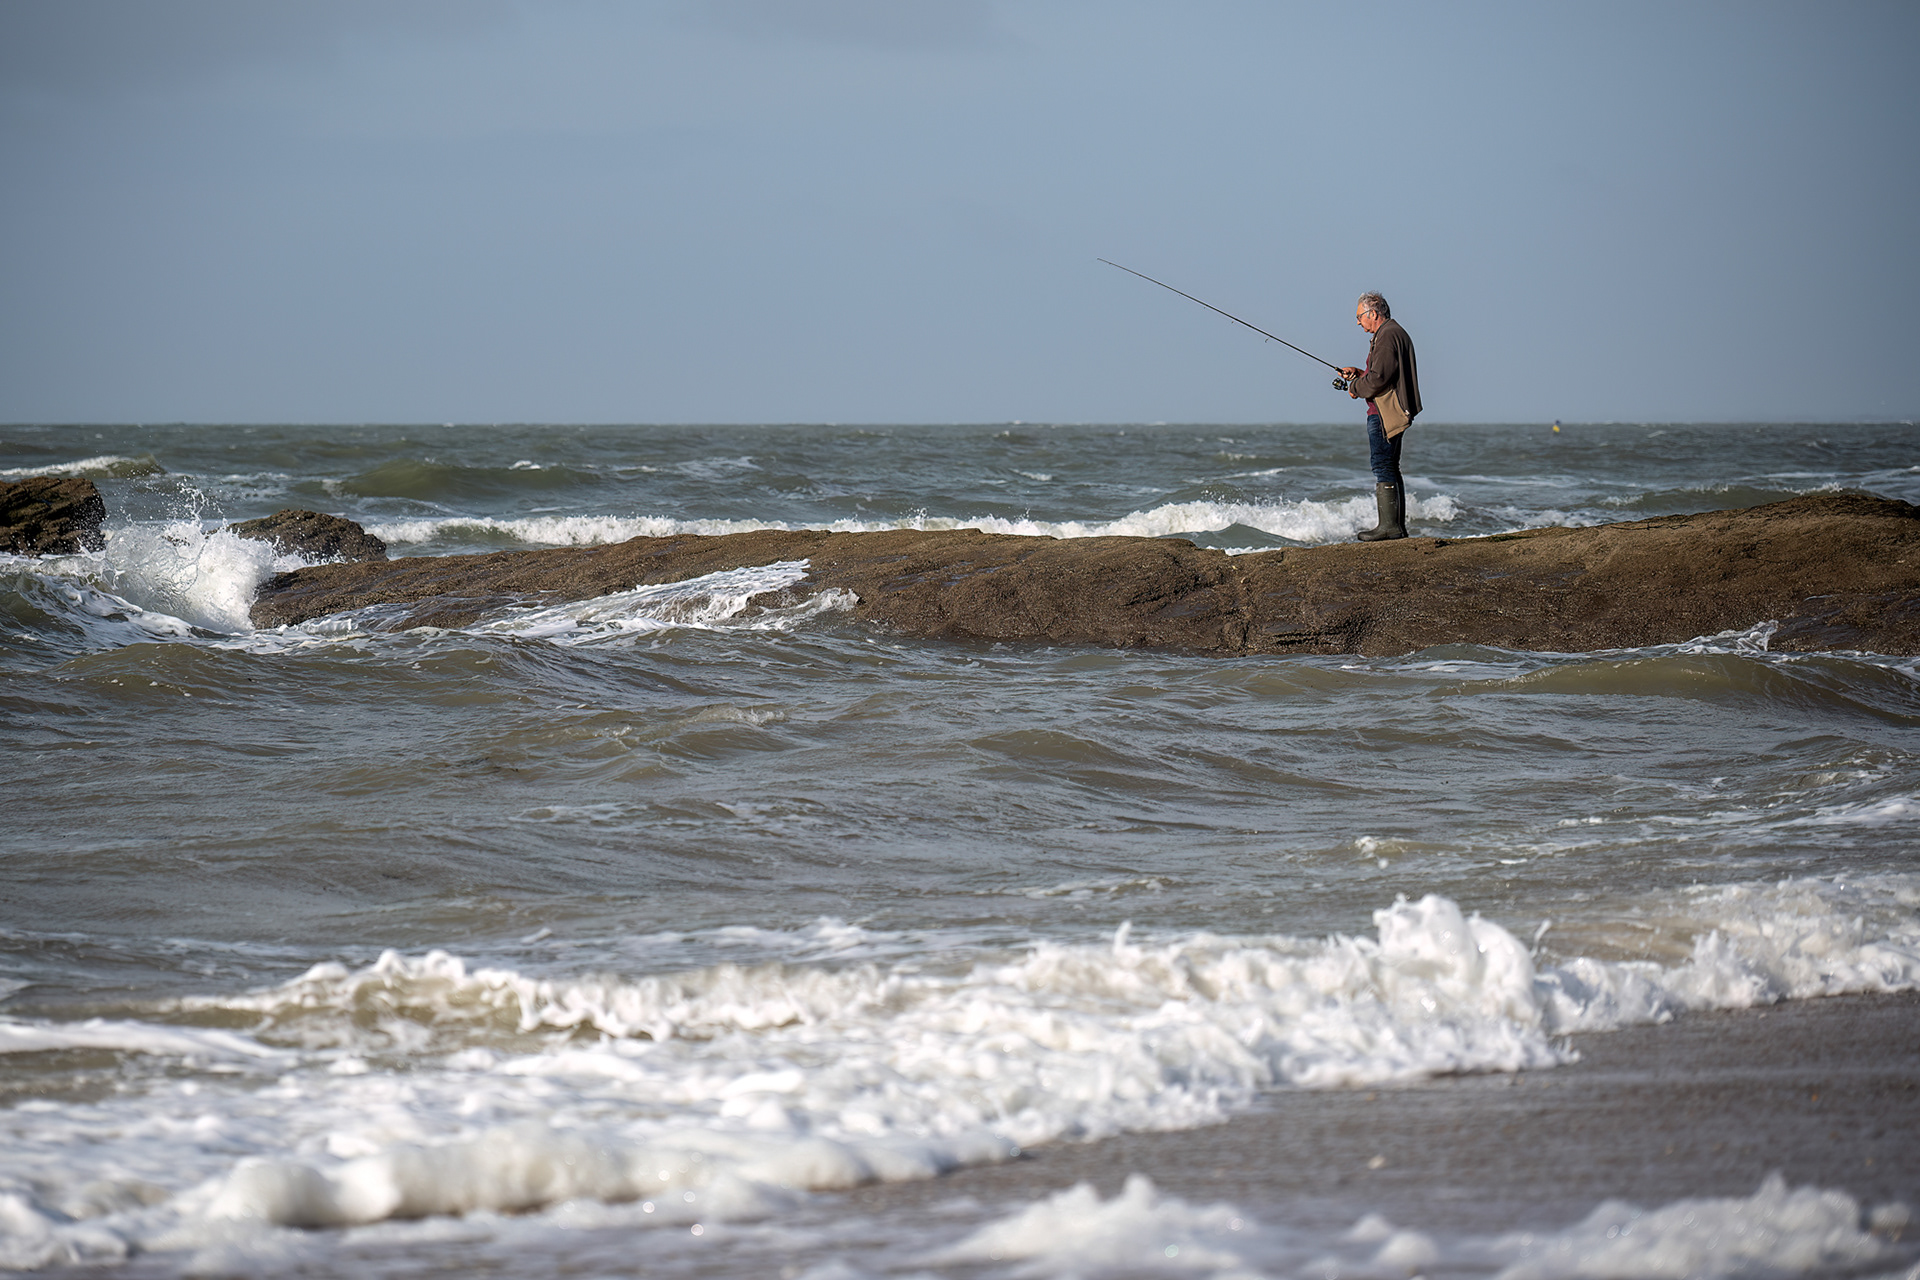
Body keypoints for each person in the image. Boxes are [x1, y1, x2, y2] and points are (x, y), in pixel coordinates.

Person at [1337, 292, 1421, 541]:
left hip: (1384, 412)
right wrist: (1360, 373)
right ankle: (1396, 527)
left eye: (1359, 317)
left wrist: (1355, 388)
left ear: (1373, 313)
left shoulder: (1386, 336)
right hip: (1390, 409)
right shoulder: (1392, 333)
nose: (1358, 323)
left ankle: (1389, 528)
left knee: (1383, 466)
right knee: (1391, 467)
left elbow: (1380, 379)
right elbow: (1381, 373)